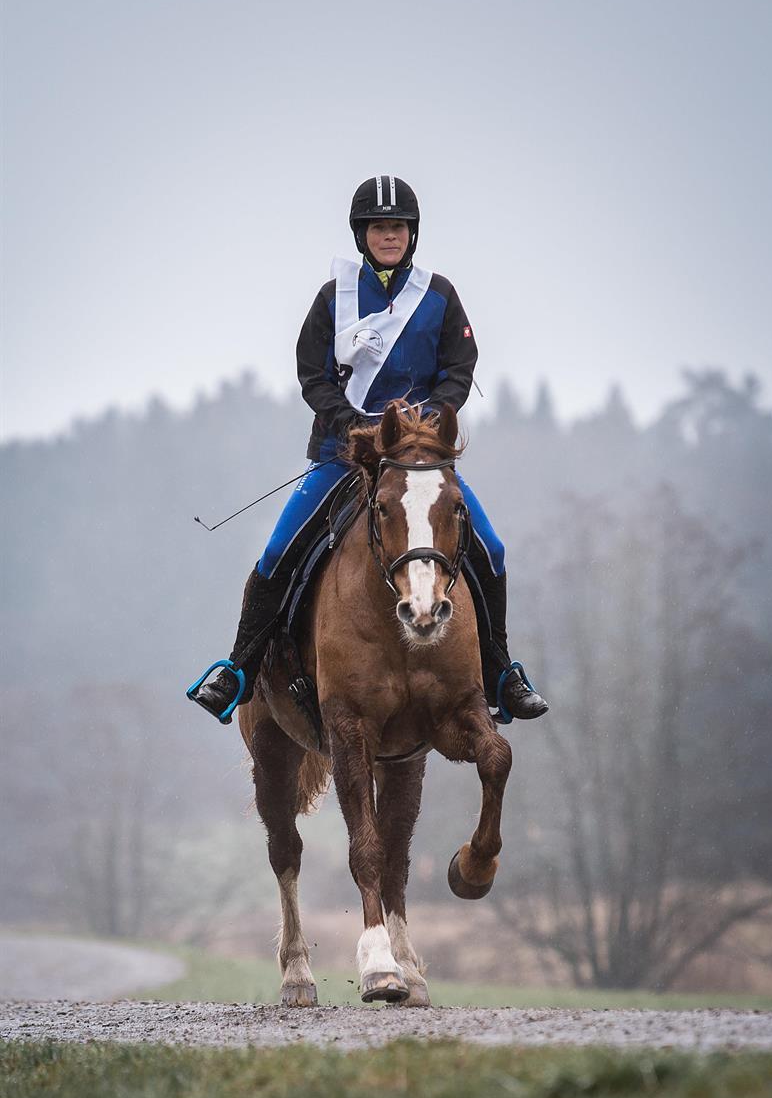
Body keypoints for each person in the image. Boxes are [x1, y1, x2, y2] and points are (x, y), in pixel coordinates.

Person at [191, 176, 548, 724]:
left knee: (492, 549)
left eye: (399, 228)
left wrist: (427, 422)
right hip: (343, 455)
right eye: (381, 228)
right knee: (277, 552)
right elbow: (312, 374)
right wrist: (352, 422)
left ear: (412, 235)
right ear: (363, 234)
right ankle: (238, 669)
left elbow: (459, 370)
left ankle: (501, 674)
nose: (390, 236)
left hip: (419, 460)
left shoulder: (440, 295)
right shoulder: (335, 296)